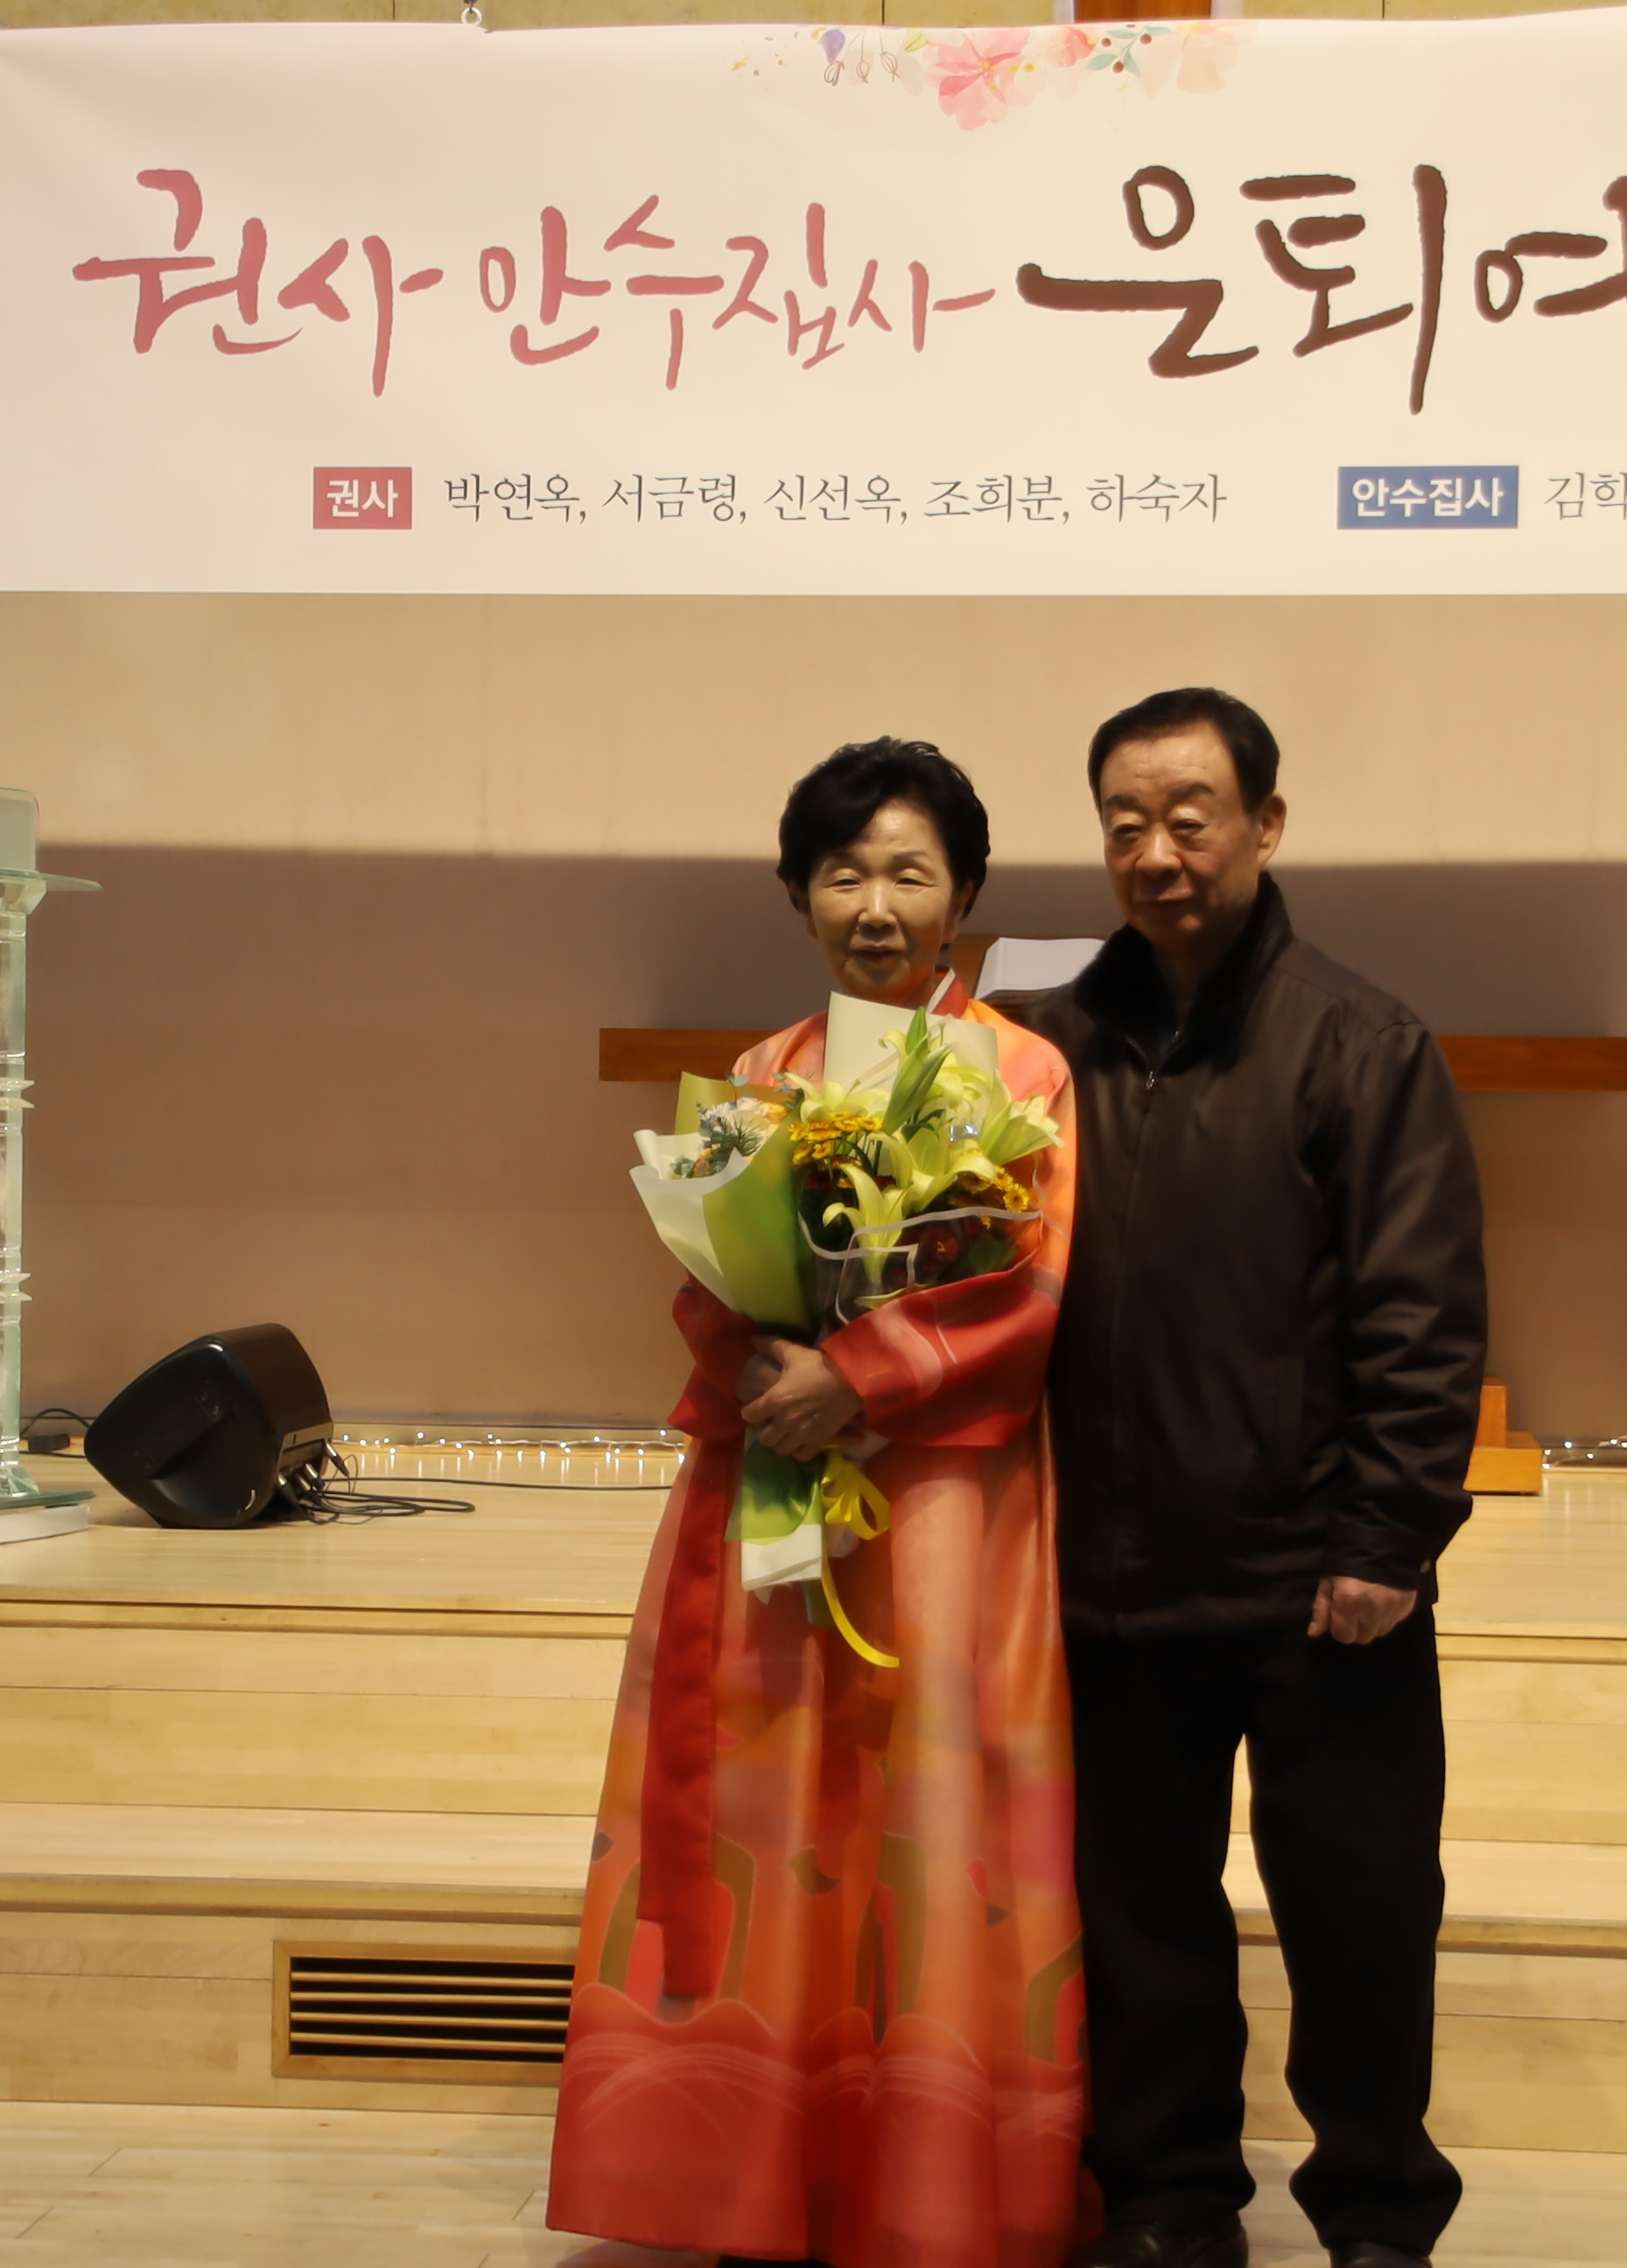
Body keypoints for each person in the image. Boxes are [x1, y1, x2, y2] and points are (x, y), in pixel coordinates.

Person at [550, 737, 1088, 2268]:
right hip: (780, 1484)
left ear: (963, 896)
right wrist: (763, 1362)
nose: (875, 905)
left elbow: (1034, 1288)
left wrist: (863, 1372)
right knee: (776, 1803)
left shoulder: (1025, 1077)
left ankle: (929, 2187)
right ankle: (754, 2180)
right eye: (843, 873)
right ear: (798, 893)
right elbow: (705, 1283)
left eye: (909, 872)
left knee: (930, 1811)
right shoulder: (761, 1079)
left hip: (948, 1510)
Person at [1020, 689, 1488, 2268]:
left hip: (1318, 1582)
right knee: (1141, 1915)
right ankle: (1168, 2203)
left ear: (1266, 826)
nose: (1157, 852)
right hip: (1112, 1572)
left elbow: (1422, 1312)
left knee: (1362, 1913)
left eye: (1190, 817)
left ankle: (1378, 2211)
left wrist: (1387, 1536)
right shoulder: (1046, 1052)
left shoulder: (1363, 1042)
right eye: (1126, 824)